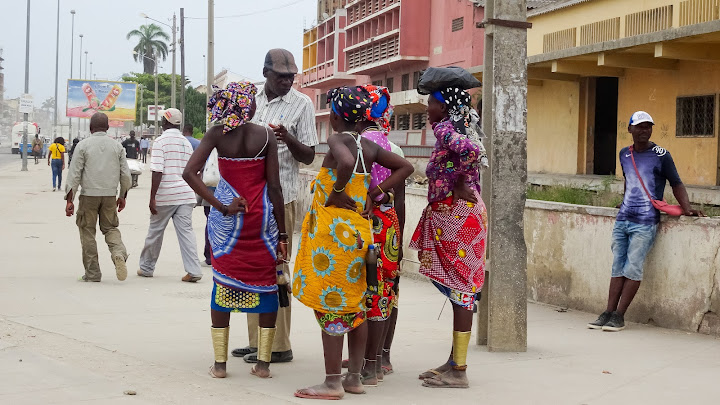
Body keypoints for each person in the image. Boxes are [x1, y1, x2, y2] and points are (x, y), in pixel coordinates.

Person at [293, 86, 413, 400]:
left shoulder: (338, 140)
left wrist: (336, 192)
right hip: (361, 234)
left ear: (334, 116)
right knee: (357, 305)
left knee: (332, 302)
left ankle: (332, 382)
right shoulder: (369, 148)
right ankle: (355, 377)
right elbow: (406, 167)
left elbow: (345, 163)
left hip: (335, 238)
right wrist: (378, 194)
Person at [183, 81, 287, 379]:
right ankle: (263, 365)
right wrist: (282, 235)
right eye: (252, 100)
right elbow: (275, 188)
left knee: (223, 286)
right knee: (266, 285)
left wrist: (220, 205)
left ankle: (219, 365)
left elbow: (190, 172)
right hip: (262, 220)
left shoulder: (217, 133)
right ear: (246, 104)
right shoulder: (266, 134)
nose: (255, 104)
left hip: (228, 221)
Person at [231, 48, 318, 365]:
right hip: (250, 198)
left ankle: (279, 345)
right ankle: (258, 341)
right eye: (282, 76)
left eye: (291, 77)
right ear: (266, 73)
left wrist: (287, 137)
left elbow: (309, 155)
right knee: (252, 270)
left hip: (283, 199)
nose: (287, 82)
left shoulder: (301, 104)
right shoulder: (250, 99)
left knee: (277, 269)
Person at [588, 111, 702, 332]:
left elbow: (676, 183)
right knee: (617, 266)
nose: (644, 130)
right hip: (623, 219)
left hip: (645, 222)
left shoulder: (661, 154)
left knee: (633, 267)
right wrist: (624, 202)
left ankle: (619, 316)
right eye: (639, 126)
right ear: (630, 129)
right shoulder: (624, 154)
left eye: (648, 126)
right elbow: (629, 181)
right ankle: (607, 313)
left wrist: (686, 208)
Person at [411, 82, 489, 389]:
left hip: (459, 216)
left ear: (443, 107)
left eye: (430, 102)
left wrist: (458, 181)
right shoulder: (458, 127)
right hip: (460, 214)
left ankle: (459, 370)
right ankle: (454, 361)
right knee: (459, 289)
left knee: (461, 291)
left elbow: (472, 152)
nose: (427, 108)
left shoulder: (445, 129)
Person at [353, 84, 404, 386]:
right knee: (384, 294)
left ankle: (360, 363)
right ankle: (375, 364)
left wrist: (371, 194)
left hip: (364, 224)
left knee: (361, 292)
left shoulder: (357, 144)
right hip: (389, 225)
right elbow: (399, 195)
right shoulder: (389, 145)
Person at [137, 108, 204, 282]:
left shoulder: (160, 142)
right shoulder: (185, 142)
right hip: (186, 195)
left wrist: (153, 198)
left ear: (165, 122)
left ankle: (146, 268)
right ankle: (194, 271)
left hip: (166, 194)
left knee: (155, 232)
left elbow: (157, 171)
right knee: (186, 233)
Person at [64, 112, 131, 282]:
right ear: (108, 128)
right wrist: (122, 195)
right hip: (109, 195)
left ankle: (93, 273)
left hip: (88, 196)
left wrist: (70, 200)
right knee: (110, 229)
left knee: (87, 232)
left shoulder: (83, 146)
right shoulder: (117, 146)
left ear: (90, 127)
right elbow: (126, 175)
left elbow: (74, 174)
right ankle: (118, 253)